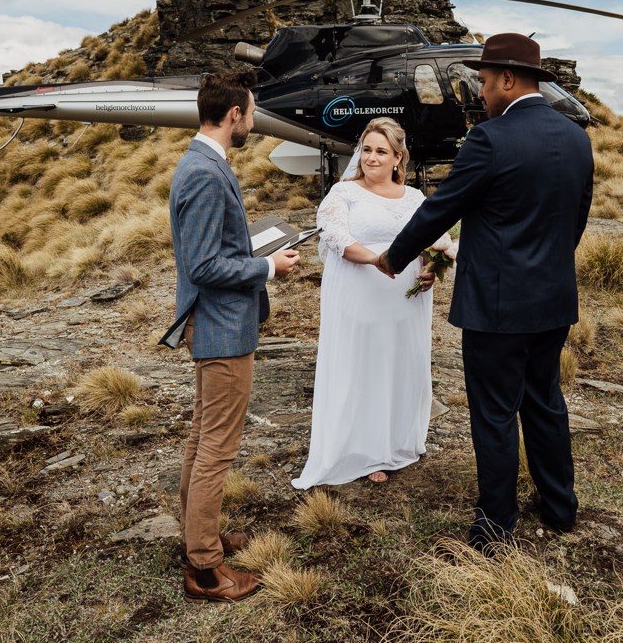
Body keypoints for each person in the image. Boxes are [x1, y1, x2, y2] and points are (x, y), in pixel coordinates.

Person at [377, 33, 594, 552]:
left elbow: (439, 209)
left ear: (508, 79)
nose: (480, 91)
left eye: (485, 80)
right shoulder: (576, 138)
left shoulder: (490, 140)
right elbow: (576, 221)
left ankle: (497, 522)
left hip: (496, 309)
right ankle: (560, 506)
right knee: (544, 399)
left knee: (495, 412)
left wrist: (394, 256)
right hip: (553, 298)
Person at [169, 69, 300, 602]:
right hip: (222, 327)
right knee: (217, 448)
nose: (252, 121)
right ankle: (204, 567)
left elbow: (213, 247)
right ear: (233, 115)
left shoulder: (203, 162)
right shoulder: (203, 172)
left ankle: (197, 538)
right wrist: (267, 269)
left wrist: (253, 249)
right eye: (250, 112)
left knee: (204, 438)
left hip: (221, 324)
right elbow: (202, 265)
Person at [292, 117, 445, 489]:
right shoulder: (343, 194)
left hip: (405, 301)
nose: (371, 158)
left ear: (398, 158)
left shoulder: (414, 198)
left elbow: (437, 240)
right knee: (363, 364)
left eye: (381, 151)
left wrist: (432, 268)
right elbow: (337, 238)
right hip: (360, 293)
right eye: (366, 149)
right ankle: (364, 450)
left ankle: (395, 441)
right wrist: (377, 260)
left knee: (398, 363)